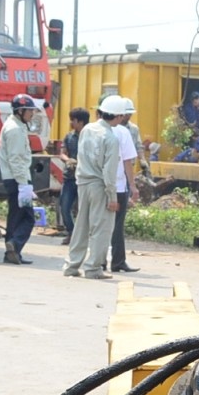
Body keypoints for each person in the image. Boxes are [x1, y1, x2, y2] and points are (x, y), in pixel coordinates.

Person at [63, 97, 125, 279]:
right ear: (118, 116)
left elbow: (81, 156)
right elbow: (109, 171)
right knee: (101, 227)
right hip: (99, 184)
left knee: (81, 225)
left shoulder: (87, 129)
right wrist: (112, 196)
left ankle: (72, 265)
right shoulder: (111, 138)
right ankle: (93, 268)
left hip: (83, 182)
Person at [0, 93, 41, 265]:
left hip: (15, 178)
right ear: (20, 111)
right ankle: (14, 244)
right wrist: (23, 184)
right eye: (29, 111)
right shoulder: (14, 129)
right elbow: (15, 159)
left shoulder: (17, 125)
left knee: (15, 216)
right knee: (28, 218)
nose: (32, 114)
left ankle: (12, 253)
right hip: (18, 179)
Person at [109, 104, 142, 274]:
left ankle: (98, 261)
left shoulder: (92, 130)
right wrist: (133, 186)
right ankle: (118, 261)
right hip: (119, 186)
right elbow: (127, 162)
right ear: (120, 115)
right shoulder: (123, 132)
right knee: (117, 225)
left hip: (99, 185)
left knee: (99, 224)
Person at [56, 107, 90, 241]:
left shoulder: (91, 137)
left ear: (80, 122)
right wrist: (68, 160)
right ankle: (72, 232)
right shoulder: (69, 136)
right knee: (64, 207)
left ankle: (82, 236)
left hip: (86, 179)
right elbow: (62, 153)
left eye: (73, 120)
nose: (71, 123)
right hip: (70, 178)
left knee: (84, 209)